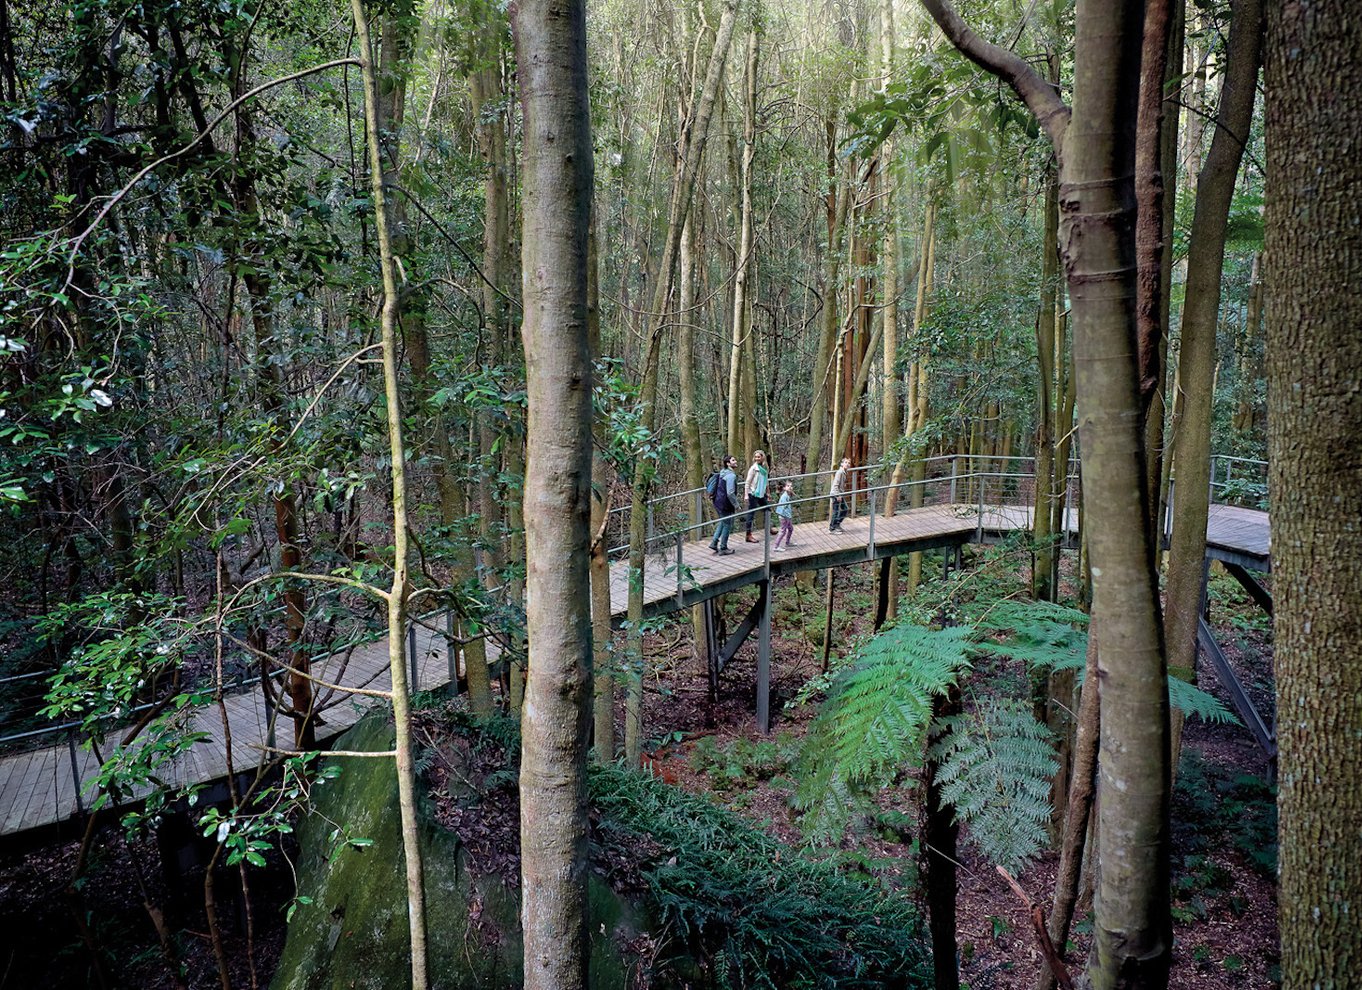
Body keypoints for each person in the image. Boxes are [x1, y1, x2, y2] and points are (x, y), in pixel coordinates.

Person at [709, 455, 739, 555]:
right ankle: (723, 547)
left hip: (717, 501)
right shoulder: (731, 476)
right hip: (725, 503)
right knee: (727, 524)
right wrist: (736, 505)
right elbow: (730, 492)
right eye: (733, 460)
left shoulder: (722, 472)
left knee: (723, 521)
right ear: (728, 463)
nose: (735, 461)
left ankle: (714, 542)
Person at [743, 450, 771, 542]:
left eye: (759, 457)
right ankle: (748, 535)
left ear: (762, 457)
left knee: (767, 509)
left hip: (761, 494)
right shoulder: (753, 469)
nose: (757, 458)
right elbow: (747, 482)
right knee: (751, 514)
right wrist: (746, 495)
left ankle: (769, 527)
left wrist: (768, 492)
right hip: (753, 493)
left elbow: (766, 481)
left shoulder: (764, 468)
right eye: (756, 457)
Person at [829, 456, 851, 532]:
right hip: (836, 494)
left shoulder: (844, 472)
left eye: (848, 463)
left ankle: (837, 524)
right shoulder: (840, 472)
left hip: (839, 494)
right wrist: (837, 495)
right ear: (842, 464)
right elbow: (835, 484)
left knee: (845, 509)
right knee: (836, 511)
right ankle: (832, 528)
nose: (847, 464)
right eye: (845, 462)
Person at [773, 480, 795, 550]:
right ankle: (776, 546)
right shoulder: (784, 497)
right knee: (783, 531)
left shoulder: (788, 495)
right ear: (784, 488)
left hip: (788, 516)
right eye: (788, 486)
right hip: (784, 517)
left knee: (791, 529)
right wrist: (785, 517)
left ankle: (787, 542)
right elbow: (782, 507)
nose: (790, 487)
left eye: (791, 486)